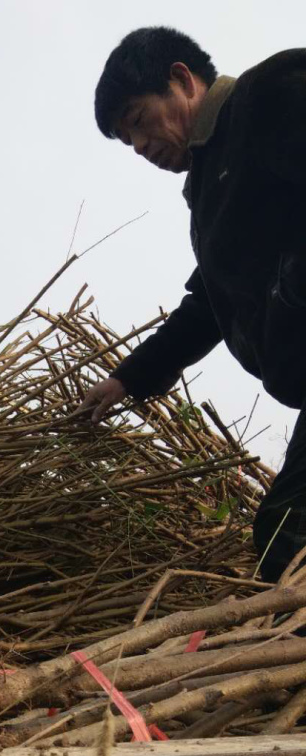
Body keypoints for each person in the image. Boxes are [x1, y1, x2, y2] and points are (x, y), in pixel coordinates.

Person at [77, 27, 306, 582]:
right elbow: (208, 306)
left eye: (136, 120)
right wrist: (128, 378)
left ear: (181, 80)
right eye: (125, 140)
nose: (138, 146)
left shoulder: (269, 96)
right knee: (283, 535)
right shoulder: (213, 190)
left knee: (290, 532)